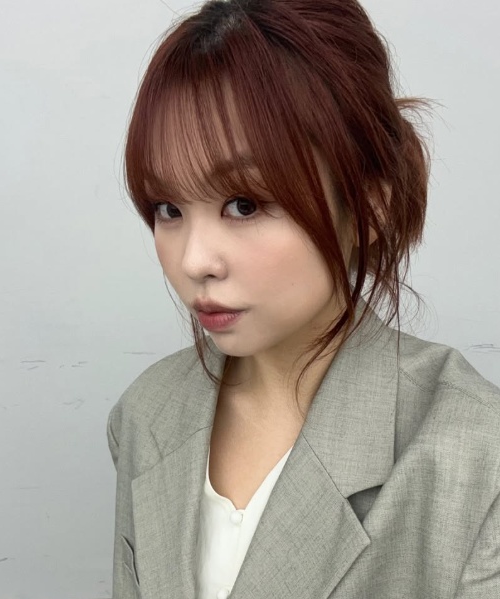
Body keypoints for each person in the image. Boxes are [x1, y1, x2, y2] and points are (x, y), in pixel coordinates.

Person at [106, 0, 500, 597]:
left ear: (369, 207)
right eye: (168, 208)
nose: (194, 261)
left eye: (244, 204)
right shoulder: (148, 413)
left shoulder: (473, 453)